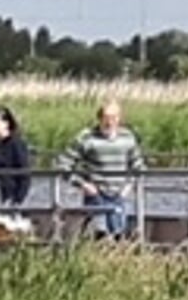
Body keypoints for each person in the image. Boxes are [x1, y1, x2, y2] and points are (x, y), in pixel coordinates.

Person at [55, 99, 146, 237]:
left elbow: (139, 166)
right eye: (106, 118)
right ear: (99, 118)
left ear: (119, 119)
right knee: (99, 231)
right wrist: (83, 184)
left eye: (113, 118)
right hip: (95, 193)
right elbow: (62, 165)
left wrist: (129, 186)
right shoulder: (86, 138)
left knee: (118, 232)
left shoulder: (128, 137)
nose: (109, 123)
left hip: (119, 194)